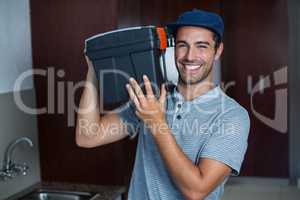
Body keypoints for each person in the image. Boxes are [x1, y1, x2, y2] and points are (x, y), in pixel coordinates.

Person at [76, 9, 250, 200]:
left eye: (202, 46)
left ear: (218, 51)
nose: (190, 56)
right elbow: (87, 136)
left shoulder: (232, 116)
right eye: (183, 45)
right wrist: (93, 71)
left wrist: (156, 122)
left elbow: (197, 190)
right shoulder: (153, 98)